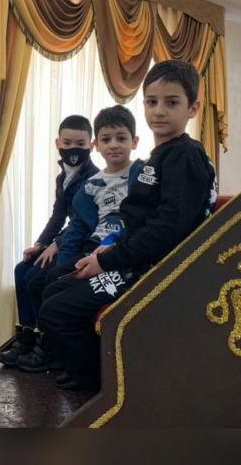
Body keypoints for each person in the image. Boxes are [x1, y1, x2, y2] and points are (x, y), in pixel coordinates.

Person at [38, 60, 217, 392]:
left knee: (56, 311)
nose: (159, 111)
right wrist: (108, 251)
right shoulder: (160, 155)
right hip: (134, 260)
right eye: (151, 101)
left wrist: (108, 260)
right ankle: (88, 371)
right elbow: (141, 221)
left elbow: (167, 230)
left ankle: (105, 392)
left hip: (156, 273)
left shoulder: (185, 156)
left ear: (192, 108)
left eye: (172, 102)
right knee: (54, 288)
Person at [16, 105, 143, 375]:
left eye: (121, 138)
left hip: (119, 251)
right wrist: (45, 247)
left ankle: (63, 356)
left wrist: (58, 246)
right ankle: (36, 339)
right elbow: (70, 222)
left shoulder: (141, 175)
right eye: (107, 139)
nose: (114, 145)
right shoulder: (89, 185)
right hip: (90, 247)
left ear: (134, 141)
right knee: (39, 274)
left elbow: (144, 218)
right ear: (98, 144)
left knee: (45, 283)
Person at [0, 115, 99, 367]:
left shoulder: (95, 177)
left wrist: (57, 244)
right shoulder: (62, 177)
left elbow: (85, 222)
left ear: (91, 145)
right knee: (22, 269)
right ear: (58, 143)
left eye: (80, 144)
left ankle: (47, 343)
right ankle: (27, 336)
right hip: (65, 239)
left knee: (36, 279)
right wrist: (40, 244)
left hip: (81, 245)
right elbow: (58, 215)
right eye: (67, 143)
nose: (73, 149)